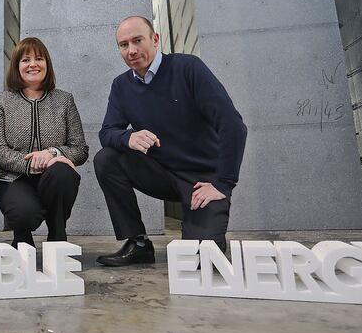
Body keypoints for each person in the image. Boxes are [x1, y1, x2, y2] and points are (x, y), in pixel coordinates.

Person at [94, 16, 247, 266]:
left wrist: (223, 184)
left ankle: (204, 230)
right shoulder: (121, 86)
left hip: (201, 180)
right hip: (161, 174)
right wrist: (128, 136)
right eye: (123, 45)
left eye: (137, 40)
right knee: (106, 159)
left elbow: (233, 126)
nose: (131, 50)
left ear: (155, 39)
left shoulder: (188, 68)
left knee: (202, 262)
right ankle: (138, 243)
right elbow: (107, 132)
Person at [0, 37, 88, 247]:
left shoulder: (64, 100)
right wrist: (32, 163)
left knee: (62, 173)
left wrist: (52, 153)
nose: (33, 64)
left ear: (47, 64)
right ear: (17, 66)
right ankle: (22, 237)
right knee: (24, 213)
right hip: (13, 179)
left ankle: (58, 234)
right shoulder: (2, 101)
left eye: (39, 59)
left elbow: (80, 149)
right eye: (26, 60)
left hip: (53, 177)